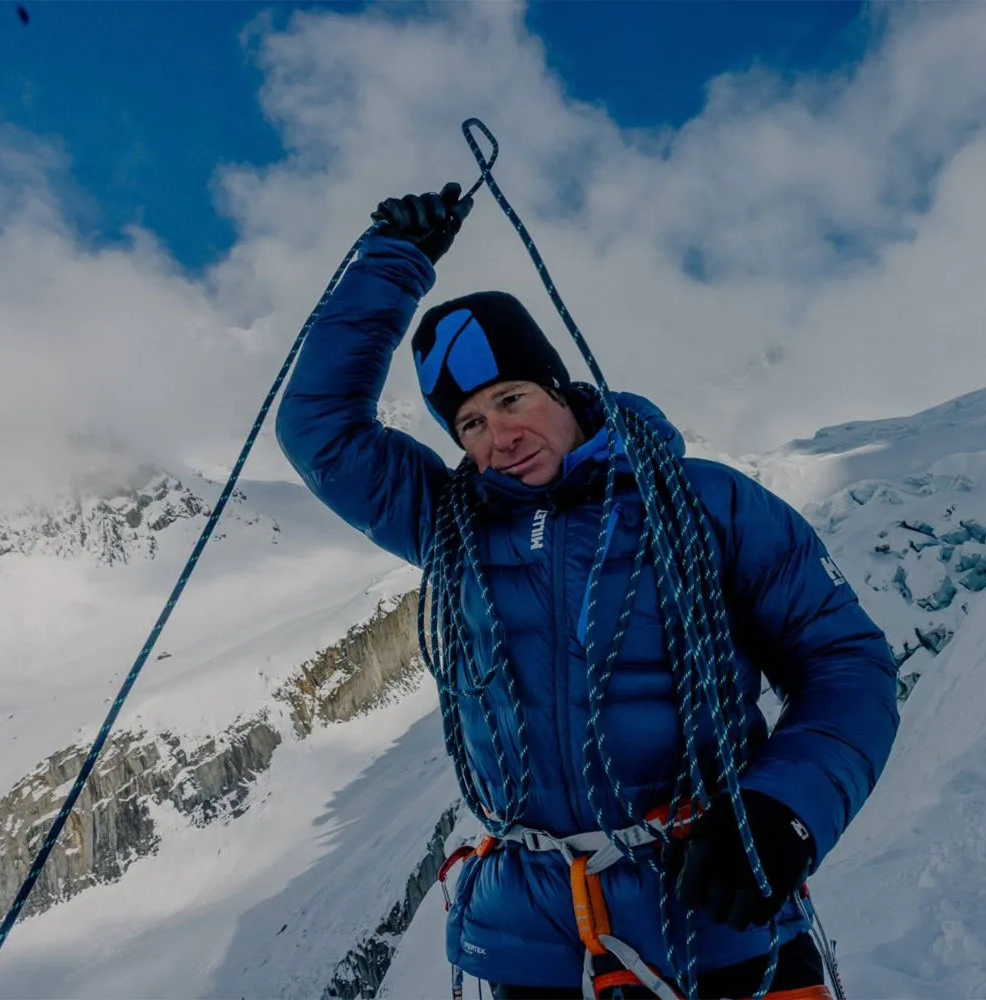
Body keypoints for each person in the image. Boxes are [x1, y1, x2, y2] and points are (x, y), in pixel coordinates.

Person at [276, 183, 900, 999]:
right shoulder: (451, 524)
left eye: (511, 399)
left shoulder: (704, 502)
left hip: (717, 913)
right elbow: (320, 430)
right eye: (469, 423)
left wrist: (785, 810)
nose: (500, 436)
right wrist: (391, 264)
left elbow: (844, 662)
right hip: (538, 944)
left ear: (559, 390)